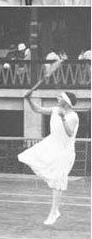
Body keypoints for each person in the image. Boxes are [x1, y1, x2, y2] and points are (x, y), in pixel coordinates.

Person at [19, 91, 79, 225]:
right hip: (51, 145)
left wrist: (63, 118)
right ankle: (54, 211)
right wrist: (29, 99)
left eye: (60, 97)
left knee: (58, 181)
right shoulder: (55, 109)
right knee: (28, 156)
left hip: (65, 151)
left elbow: (69, 133)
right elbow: (37, 109)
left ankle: (54, 212)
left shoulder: (73, 116)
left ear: (66, 101)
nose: (57, 98)